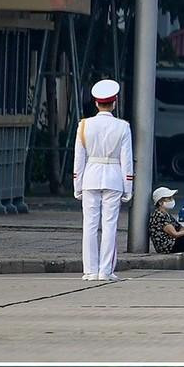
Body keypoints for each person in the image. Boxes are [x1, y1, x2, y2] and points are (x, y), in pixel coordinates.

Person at [73, 80, 135, 282]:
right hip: (114, 178)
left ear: (96, 103)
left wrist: (77, 184)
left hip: (90, 176)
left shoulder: (84, 125)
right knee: (110, 225)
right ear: (114, 102)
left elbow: (79, 158)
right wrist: (128, 187)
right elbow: (126, 160)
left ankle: (90, 270)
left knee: (89, 225)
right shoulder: (122, 126)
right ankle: (105, 270)